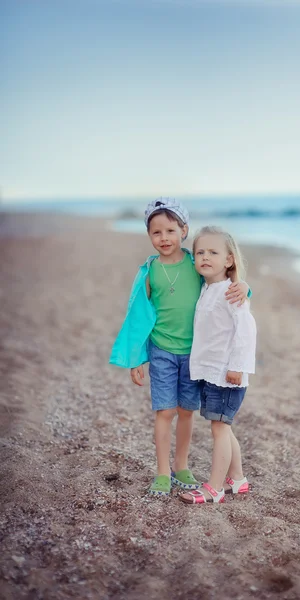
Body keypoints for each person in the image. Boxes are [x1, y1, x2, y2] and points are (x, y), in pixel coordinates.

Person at [109, 199, 250, 496]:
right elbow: (137, 315)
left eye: (170, 231)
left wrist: (246, 287)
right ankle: (162, 472)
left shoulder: (195, 263)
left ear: (183, 230)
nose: (164, 238)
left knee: (186, 412)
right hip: (161, 351)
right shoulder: (149, 271)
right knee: (164, 412)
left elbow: (224, 281)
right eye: (156, 232)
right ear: (149, 236)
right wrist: (136, 359)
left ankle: (181, 465)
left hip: (194, 355)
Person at [180, 226, 256, 505]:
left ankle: (214, 488)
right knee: (223, 426)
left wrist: (237, 366)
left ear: (229, 260)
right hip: (212, 372)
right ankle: (237, 479)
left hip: (227, 374)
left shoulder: (232, 292)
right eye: (200, 252)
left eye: (213, 252)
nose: (204, 257)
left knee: (219, 428)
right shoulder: (206, 288)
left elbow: (246, 331)